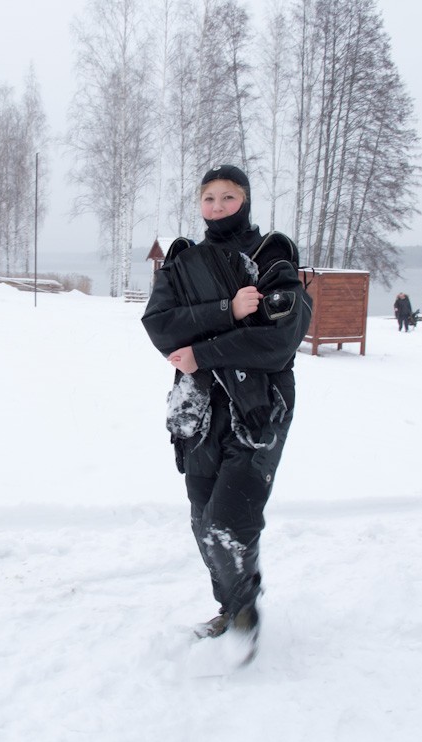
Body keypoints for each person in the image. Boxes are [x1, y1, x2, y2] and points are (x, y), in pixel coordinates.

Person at [141, 164, 312, 658]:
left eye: (227, 197)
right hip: (198, 411)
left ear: (246, 200)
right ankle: (231, 606)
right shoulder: (181, 261)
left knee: (228, 521)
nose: (216, 207)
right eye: (208, 198)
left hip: (258, 407)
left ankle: (245, 615)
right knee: (202, 520)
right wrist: (227, 311)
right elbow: (160, 325)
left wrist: (203, 352)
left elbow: (278, 342)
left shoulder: (271, 257)